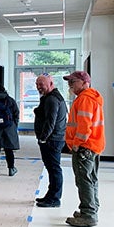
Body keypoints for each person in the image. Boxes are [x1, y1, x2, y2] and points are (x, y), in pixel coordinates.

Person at [62, 70, 105, 227]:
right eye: (69, 82)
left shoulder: (85, 99)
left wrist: (76, 144)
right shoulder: (92, 98)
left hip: (84, 147)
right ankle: (92, 208)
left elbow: (84, 127)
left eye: (73, 82)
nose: (70, 85)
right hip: (94, 145)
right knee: (91, 178)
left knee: (83, 180)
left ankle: (88, 214)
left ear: (85, 82)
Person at [33, 74, 68, 208]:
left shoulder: (52, 99)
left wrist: (43, 138)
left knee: (54, 169)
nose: (38, 87)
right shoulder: (51, 97)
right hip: (53, 139)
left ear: (51, 83)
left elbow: (50, 122)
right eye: (37, 84)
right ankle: (51, 195)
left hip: (52, 140)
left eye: (41, 84)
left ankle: (54, 198)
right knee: (52, 169)